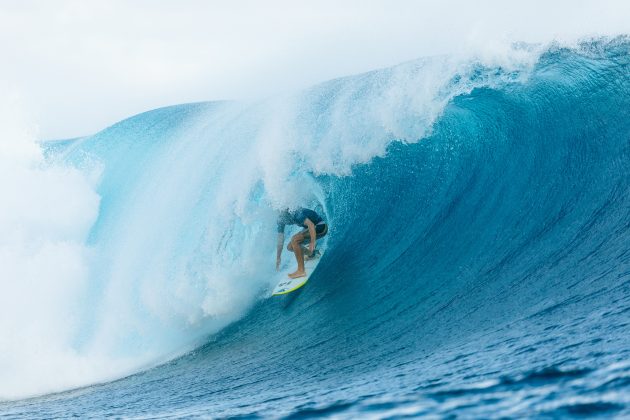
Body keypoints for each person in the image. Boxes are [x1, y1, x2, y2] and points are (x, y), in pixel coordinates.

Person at [276, 207, 328, 278]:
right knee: (290, 247)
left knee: (295, 240)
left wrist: (312, 242)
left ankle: (301, 271)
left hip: (321, 227)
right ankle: (311, 254)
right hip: (309, 229)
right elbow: (280, 239)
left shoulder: (296, 213)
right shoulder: (280, 220)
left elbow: (311, 225)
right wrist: (278, 257)